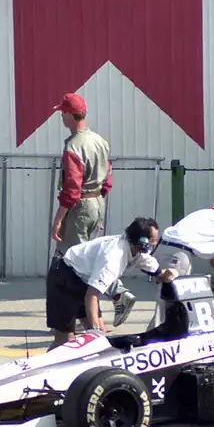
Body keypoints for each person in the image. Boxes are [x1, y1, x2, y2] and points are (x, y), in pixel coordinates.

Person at [49, 92, 136, 328]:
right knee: (94, 256)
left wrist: (58, 219)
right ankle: (91, 313)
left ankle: (113, 298)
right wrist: (97, 203)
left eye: (62, 112)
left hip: (80, 207)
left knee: (74, 261)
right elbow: (107, 179)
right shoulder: (99, 141)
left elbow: (72, 188)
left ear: (70, 114)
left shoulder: (73, 146)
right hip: (97, 202)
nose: (61, 117)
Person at [46, 217, 178, 349]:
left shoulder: (135, 250)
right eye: (153, 240)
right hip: (64, 277)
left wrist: (168, 274)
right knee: (65, 342)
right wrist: (94, 330)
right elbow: (92, 294)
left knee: (101, 337)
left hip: (83, 279)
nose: (155, 243)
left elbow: (155, 270)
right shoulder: (114, 258)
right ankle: (45, 363)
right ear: (142, 242)